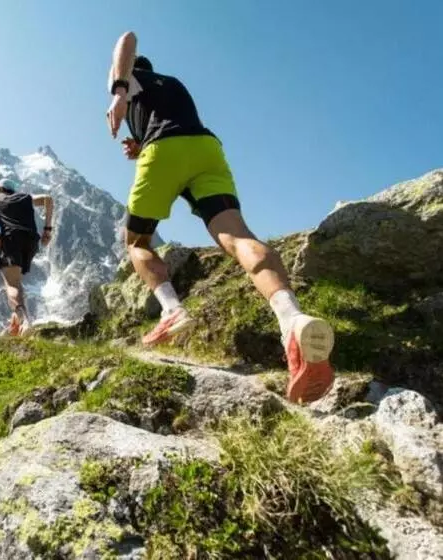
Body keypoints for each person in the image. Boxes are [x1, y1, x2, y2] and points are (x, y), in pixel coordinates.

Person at [104, 31, 334, 404]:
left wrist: (117, 90)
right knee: (238, 237)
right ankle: (292, 319)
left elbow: (126, 39)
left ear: (130, 72)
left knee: (136, 242)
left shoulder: (128, 77)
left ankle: (171, 310)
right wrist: (141, 143)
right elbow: (169, 123)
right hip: (206, 150)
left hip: (164, 153)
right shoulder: (171, 84)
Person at [0, 178, 54, 336]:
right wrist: (47, 229)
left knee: (11, 284)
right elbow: (48, 199)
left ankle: (24, 319)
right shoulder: (25, 197)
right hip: (31, 241)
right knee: (17, 282)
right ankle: (16, 324)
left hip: (11, 240)